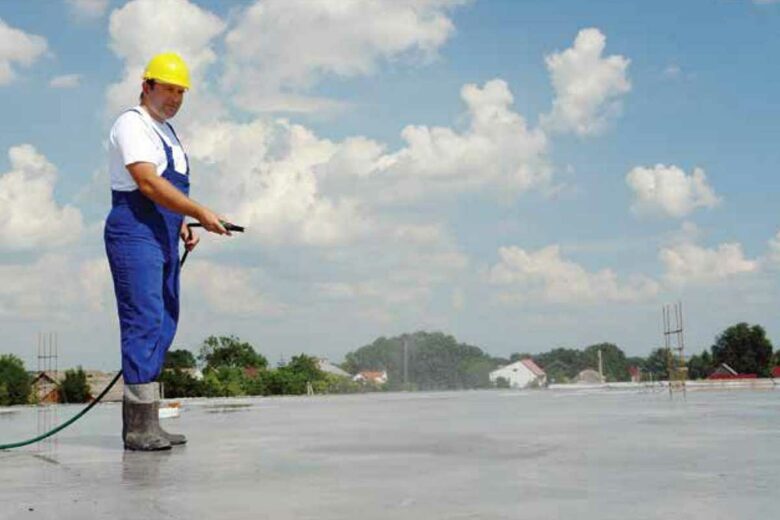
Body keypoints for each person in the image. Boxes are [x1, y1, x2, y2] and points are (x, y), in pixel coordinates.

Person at [104, 52, 229, 451]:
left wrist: (182, 225)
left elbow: (167, 192)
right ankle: (138, 427)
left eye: (180, 92)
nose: (174, 98)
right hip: (134, 230)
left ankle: (151, 420)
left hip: (162, 232)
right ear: (146, 86)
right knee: (142, 319)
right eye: (167, 89)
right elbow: (148, 183)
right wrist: (198, 212)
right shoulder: (132, 124)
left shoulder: (168, 133)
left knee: (164, 320)